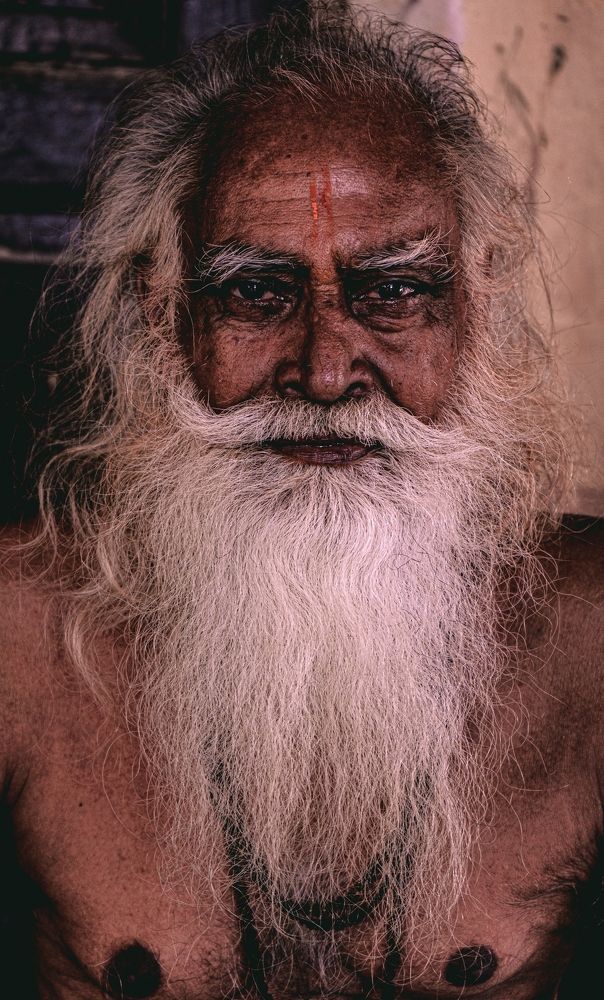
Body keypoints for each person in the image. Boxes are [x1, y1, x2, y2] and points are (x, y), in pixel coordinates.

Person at [1, 6, 602, 998]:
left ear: (476, 304)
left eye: (393, 290)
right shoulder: (24, 632)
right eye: (256, 292)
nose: (326, 370)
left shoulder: (584, 635)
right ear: (163, 311)